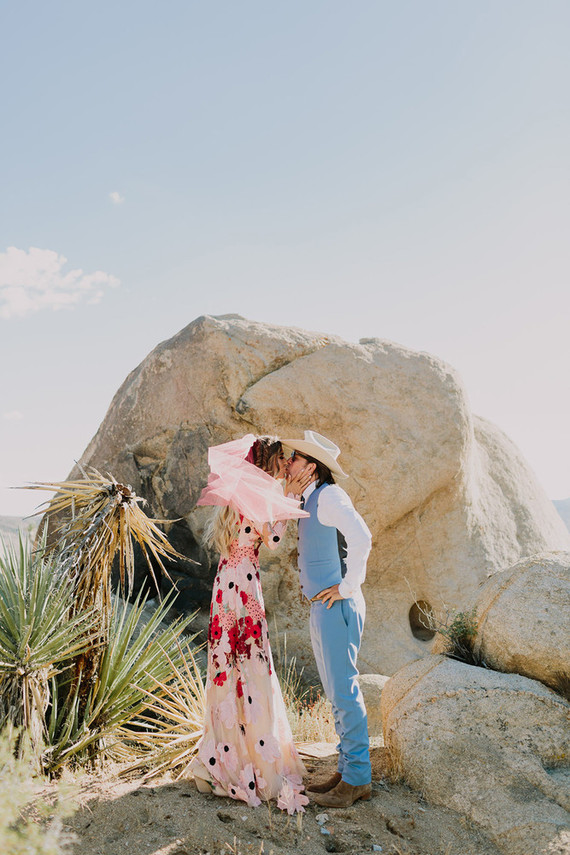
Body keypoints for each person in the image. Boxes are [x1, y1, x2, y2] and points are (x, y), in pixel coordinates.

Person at [189, 434, 311, 814]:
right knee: (253, 665)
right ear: (268, 463)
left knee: (226, 666)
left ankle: (220, 759)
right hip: (243, 588)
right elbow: (272, 540)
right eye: (279, 462)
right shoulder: (260, 492)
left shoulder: (236, 491)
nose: (282, 468)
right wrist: (290, 496)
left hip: (224, 584)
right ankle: (254, 764)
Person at [282, 430, 373, 808]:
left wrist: (348, 587)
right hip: (324, 608)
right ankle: (347, 770)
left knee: (344, 691)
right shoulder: (310, 500)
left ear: (312, 467)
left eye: (294, 458)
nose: (287, 462)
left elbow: (363, 536)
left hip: (338, 607)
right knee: (336, 693)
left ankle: (357, 780)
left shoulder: (330, 496)